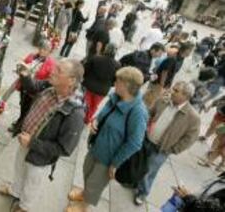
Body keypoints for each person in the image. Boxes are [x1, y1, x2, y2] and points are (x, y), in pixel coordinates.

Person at [0, 59, 85, 212]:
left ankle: (25, 207)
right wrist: (25, 75)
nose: (52, 71)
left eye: (59, 70)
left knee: (32, 183)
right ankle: (15, 191)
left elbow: (65, 149)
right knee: (19, 168)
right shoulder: (52, 86)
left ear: (71, 81)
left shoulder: (75, 114)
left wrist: (32, 143)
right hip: (25, 140)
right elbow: (33, 87)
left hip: (40, 155)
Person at [66, 67, 148, 212]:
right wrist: (95, 122)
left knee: (95, 183)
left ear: (127, 85)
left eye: (118, 81)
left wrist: (115, 163)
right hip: (97, 146)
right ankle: (84, 194)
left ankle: (84, 206)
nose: (114, 82)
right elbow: (103, 115)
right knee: (87, 171)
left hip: (109, 157)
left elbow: (135, 143)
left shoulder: (138, 111)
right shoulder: (115, 96)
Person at [134, 81, 201, 205]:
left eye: (176, 90)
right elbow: (150, 112)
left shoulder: (193, 117)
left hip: (162, 149)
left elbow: (190, 138)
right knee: (138, 163)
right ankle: (134, 182)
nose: (171, 91)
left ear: (185, 96)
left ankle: (142, 193)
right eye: (173, 88)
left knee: (149, 172)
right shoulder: (163, 101)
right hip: (147, 140)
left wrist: (172, 149)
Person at [9, 40, 56, 135]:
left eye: (45, 50)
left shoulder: (51, 63)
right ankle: (20, 120)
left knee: (28, 109)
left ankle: (19, 126)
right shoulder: (31, 56)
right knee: (23, 105)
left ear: (49, 51)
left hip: (36, 90)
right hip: (25, 86)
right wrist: (20, 69)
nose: (42, 51)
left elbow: (49, 79)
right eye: (41, 48)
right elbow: (23, 64)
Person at [143, 41, 194, 110]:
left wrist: (168, 86)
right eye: (190, 50)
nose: (191, 53)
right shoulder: (173, 58)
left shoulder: (181, 58)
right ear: (186, 50)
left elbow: (172, 73)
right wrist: (161, 86)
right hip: (158, 83)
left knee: (154, 102)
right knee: (149, 101)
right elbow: (164, 72)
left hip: (165, 84)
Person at [82, 43, 121, 124]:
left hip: (89, 85)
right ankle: (87, 119)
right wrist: (110, 84)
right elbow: (115, 79)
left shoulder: (95, 58)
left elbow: (85, 69)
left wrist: (85, 78)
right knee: (94, 106)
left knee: (86, 102)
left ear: (105, 49)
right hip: (103, 90)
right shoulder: (117, 65)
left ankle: (81, 116)